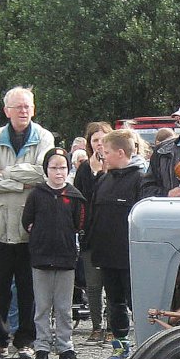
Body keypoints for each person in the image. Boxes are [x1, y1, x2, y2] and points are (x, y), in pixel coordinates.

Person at [0, 86, 54, 359]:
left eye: (27, 106)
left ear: (33, 109)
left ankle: (26, 341)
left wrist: (6, 173)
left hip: (28, 225)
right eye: (18, 106)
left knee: (28, 289)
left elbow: (43, 174)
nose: (23, 111)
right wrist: (22, 182)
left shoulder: (44, 137)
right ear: (6, 111)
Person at [24, 148, 87, 359]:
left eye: (62, 167)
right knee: (42, 306)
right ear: (46, 170)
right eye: (53, 168)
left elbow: (80, 223)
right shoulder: (36, 194)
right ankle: (42, 346)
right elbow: (27, 221)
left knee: (63, 307)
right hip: (41, 257)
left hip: (65, 257)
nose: (58, 172)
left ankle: (65, 346)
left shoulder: (74, 196)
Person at [85, 129, 142, 359]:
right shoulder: (103, 180)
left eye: (106, 152)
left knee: (137, 304)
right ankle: (120, 346)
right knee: (114, 303)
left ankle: (145, 347)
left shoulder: (141, 179)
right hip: (106, 255)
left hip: (130, 256)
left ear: (120, 152)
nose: (103, 156)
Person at [73, 121, 111, 342]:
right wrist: (95, 173)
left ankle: (114, 328)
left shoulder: (118, 168)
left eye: (103, 139)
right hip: (90, 235)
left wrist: (102, 173)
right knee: (94, 285)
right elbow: (84, 200)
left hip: (113, 235)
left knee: (114, 285)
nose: (99, 144)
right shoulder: (84, 169)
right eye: (95, 140)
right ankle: (97, 327)